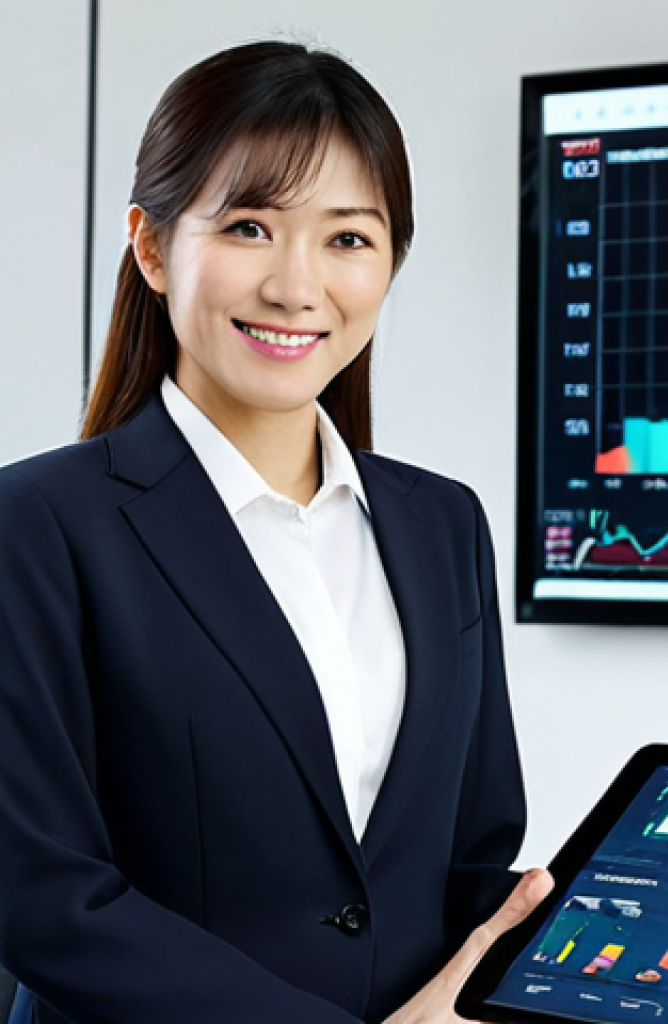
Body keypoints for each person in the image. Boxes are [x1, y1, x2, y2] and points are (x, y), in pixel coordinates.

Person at [0, 40, 551, 1024]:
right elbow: (45, 897)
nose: (298, 288)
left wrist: (609, 946)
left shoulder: (443, 525)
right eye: (250, 227)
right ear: (152, 246)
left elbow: (465, 855)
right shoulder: (38, 525)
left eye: (348, 239)